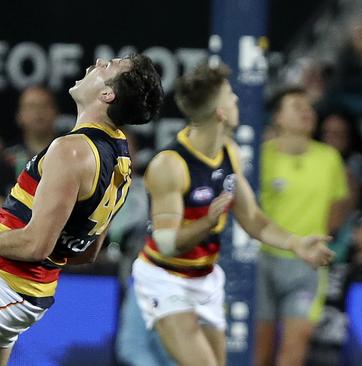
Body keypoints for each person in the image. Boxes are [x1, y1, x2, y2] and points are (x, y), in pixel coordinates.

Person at [0, 54, 164, 366]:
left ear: (107, 94)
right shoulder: (121, 160)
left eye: (109, 66)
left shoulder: (71, 150)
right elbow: (84, 251)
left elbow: (36, 245)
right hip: (27, 292)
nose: (99, 61)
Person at [131, 64, 334, 366]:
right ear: (220, 113)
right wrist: (207, 223)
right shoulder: (170, 166)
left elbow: (252, 218)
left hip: (206, 277)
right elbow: (168, 244)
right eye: (231, 96)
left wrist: (295, 244)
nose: (238, 100)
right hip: (166, 278)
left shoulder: (230, 152)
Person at [255, 87, 350, 366]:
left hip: (306, 265)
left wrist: (320, 240)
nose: (306, 112)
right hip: (263, 261)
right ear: (279, 118)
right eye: (297, 106)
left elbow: (338, 209)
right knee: (259, 351)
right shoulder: (261, 156)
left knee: (293, 351)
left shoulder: (329, 158)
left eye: (309, 107)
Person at [0, 86, 58, 215]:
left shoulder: (72, 152)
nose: (38, 112)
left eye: (44, 105)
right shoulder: (6, 158)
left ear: (55, 112)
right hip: (17, 229)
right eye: (31, 107)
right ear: (19, 116)